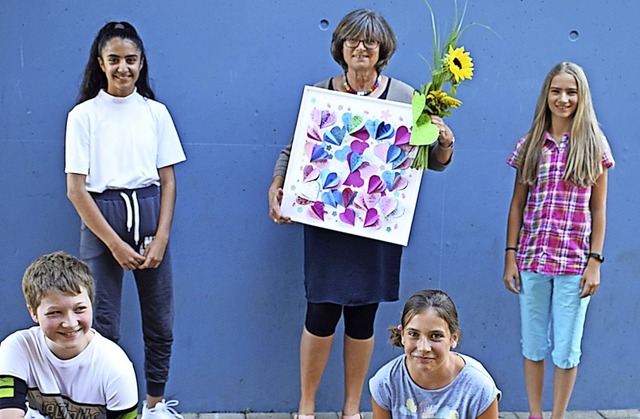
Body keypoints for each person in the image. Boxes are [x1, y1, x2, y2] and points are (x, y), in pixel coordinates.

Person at [268, 9, 455, 418]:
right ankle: (307, 406)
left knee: (363, 316)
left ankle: (352, 409)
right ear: (340, 46)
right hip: (326, 223)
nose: (361, 48)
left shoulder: (407, 98)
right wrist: (277, 186)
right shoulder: (322, 93)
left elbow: (433, 161)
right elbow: (294, 149)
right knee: (319, 312)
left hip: (377, 225)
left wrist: (443, 140)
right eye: (353, 40)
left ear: (382, 48)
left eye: (370, 41)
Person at [65, 22, 186, 418]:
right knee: (101, 323)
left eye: (130, 60)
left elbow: (168, 180)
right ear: (100, 63)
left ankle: (154, 405)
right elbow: (76, 190)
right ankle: (104, 407)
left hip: (150, 216)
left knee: (160, 322)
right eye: (114, 59)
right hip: (103, 220)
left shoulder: (155, 113)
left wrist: (162, 237)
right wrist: (113, 244)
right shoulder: (83, 116)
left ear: (141, 63)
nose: (123, 68)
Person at [503, 62, 614, 419]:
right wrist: (510, 257)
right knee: (533, 344)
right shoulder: (531, 143)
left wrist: (595, 261)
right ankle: (535, 414)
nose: (563, 99)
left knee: (567, 349)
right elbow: (517, 205)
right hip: (533, 260)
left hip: (574, 263)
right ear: (546, 95)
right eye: (556, 91)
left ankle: (557, 415)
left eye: (571, 91)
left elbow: (599, 210)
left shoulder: (593, 144)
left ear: (581, 96)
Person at [0, 251, 138, 419]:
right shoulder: (17, 348)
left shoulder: (116, 367)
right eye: (55, 312)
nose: (70, 323)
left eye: (80, 309)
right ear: (33, 312)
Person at [369, 290, 500, 419]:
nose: (423, 347)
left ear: (454, 338)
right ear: (402, 335)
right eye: (414, 334)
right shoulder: (385, 382)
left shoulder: (479, 386)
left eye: (436, 336)